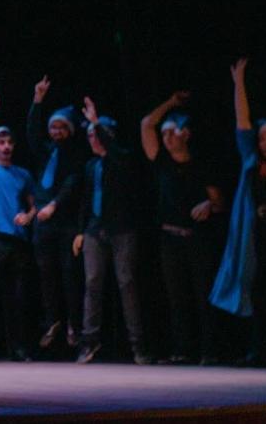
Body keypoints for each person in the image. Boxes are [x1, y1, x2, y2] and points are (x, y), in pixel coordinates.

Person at [140, 90, 225, 365]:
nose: (166, 138)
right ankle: (182, 350)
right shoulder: (161, 162)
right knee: (176, 297)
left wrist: (209, 206)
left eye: (172, 133)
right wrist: (170, 104)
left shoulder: (201, 164)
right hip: (169, 237)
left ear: (186, 134)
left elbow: (219, 202)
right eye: (164, 134)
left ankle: (209, 351)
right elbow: (146, 125)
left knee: (202, 294)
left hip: (197, 238)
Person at [211, 59, 266, 367]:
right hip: (257, 235)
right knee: (257, 293)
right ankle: (258, 351)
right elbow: (243, 121)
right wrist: (239, 83)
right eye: (264, 137)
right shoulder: (251, 160)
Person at [73, 97, 148, 365]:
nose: (92, 139)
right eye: (90, 134)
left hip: (121, 230)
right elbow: (85, 199)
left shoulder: (121, 159)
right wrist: (81, 231)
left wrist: (97, 122)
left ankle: (137, 344)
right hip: (95, 230)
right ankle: (89, 342)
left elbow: (116, 154)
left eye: (96, 134)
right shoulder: (91, 166)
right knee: (92, 284)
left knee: (126, 283)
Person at [28, 76, 88, 352]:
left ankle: (74, 324)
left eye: (61, 127)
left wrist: (54, 205)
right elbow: (32, 133)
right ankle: (52, 321)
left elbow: (72, 183)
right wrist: (38, 101)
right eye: (53, 127)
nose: (56, 132)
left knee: (69, 274)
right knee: (45, 273)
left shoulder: (75, 152)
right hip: (43, 223)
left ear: (70, 129)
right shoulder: (46, 151)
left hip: (64, 222)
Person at [0, 92, 36, 362]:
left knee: (19, 297)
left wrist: (28, 215)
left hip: (17, 240)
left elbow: (34, 205)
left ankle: (18, 348)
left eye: (10, 141)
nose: (6, 146)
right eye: (1, 141)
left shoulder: (23, 174)